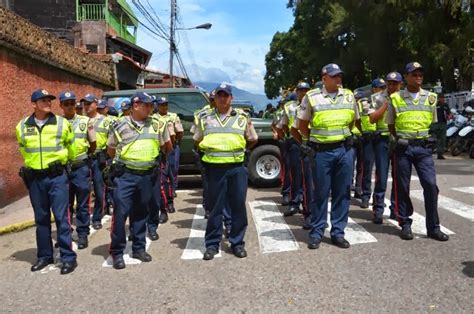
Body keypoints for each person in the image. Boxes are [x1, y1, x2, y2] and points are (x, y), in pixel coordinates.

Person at [107, 92, 172, 269]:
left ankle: (138, 248)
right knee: (120, 214)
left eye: (152, 105)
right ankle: (117, 252)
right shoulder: (119, 125)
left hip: (147, 175)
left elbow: (166, 146)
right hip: (126, 176)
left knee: (141, 212)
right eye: (147, 105)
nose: (151, 109)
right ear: (135, 105)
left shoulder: (157, 125)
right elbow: (111, 150)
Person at [297, 63, 358, 250]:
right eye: (334, 76)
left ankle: (338, 232)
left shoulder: (349, 95)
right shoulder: (312, 97)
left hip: (344, 151)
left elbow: (355, 120)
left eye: (339, 75)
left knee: (342, 192)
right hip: (321, 152)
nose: (338, 79)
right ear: (324, 78)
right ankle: (316, 232)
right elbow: (302, 125)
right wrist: (314, 141)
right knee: (320, 193)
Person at [15, 89, 77, 274]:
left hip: (57, 177)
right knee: (41, 219)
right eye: (42, 100)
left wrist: (64, 167)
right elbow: (24, 149)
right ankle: (44, 256)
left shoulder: (61, 123)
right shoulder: (22, 126)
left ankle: (68, 257)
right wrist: (33, 166)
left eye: (49, 100)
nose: (47, 103)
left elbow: (71, 148)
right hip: (35, 178)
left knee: (61, 218)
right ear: (33, 104)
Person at [194, 83, 258, 260]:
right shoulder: (204, 117)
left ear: (232, 98)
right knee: (215, 208)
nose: (222, 98)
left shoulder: (242, 117)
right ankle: (212, 245)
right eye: (219, 95)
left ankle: (237, 243)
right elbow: (197, 140)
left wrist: (238, 150)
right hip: (214, 169)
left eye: (226, 95)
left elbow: (252, 139)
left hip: (236, 168)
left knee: (238, 206)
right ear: (214, 98)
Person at [386, 62, 449, 241]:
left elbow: (432, 121)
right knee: (402, 186)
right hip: (403, 148)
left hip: (423, 148)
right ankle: (405, 224)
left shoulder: (431, 98)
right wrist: (400, 138)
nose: (418, 77)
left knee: (430, 185)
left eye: (420, 74)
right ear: (406, 77)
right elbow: (391, 124)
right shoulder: (396, 98)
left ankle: (433, 227)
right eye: (414, 74)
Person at [59, 91, 96, 248]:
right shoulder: (56, 122)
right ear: (61, 105)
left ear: (76, 105)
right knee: (64, 204)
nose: (69, 107)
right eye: (66, 104)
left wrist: (84, 157)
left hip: (80, 167)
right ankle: (66, 233)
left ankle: (82, 233)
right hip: (62, 170)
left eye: (72, 103)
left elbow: (93, 143)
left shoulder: (85, 121)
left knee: (82, 203)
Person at [369, 71, 402, 223]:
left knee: (398, 176)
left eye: (395, 84)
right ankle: (378, 209)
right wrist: (387, 104)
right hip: (382, 140)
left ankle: (395, 209)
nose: (391, 86)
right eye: (389, 84)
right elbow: (373, 119)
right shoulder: (377, 98)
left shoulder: (404, 97)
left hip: (398, 140)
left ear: (400, 84)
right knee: (381, 176)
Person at [356, 79, 385, 209]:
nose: (382, 89)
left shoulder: (386, 100)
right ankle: (365, 195)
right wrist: (362, 132)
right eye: (380, 87)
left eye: (384, 87)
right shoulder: (365, 102)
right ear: (373, 89)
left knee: (380, 170)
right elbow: (357, 120)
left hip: (380, 138)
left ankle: (378, 199)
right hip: (368, 138)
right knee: (366, 168)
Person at [288, 82, 313, 229]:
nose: (303, 92)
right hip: (298, 143)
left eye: (306, 90)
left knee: (313, 183)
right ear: (297, 92)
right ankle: (296, 203)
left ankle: (313, 212)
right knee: (296, 176)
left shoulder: (314, 104)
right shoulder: (291, 107)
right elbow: (290, 128)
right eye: (300, 90)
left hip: (314, 145)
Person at [83, 93, 109, 229]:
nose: (86, 106)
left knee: (99, 189)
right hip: (85, 159)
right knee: (84, 190)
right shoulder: (80, 120)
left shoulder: (106, 121)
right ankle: (85, 218)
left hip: (99, 158)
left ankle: (97, 217)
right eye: (84, 104)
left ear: (96, 104)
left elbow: (113, 140)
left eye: (89, 103)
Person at [430, 93, 450, 159]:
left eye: (443, 98)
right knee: (433, 139)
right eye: (441, 98)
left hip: (443, 124)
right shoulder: (434, 105)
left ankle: (440, 154)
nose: (442, 99)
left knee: (442, 139)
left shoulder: (445, 105)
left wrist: (449, 116)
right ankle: (430, 152)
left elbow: (448, 113)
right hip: (435, 124)